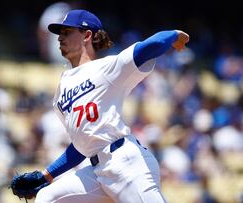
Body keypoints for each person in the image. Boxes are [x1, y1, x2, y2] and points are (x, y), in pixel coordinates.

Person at [10, 9, 189, 203]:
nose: (60, 37)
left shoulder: (106, 69)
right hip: (97, 171)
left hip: (126, 163)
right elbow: (83, 144)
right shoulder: (61, 93)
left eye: (67, 32)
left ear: (87, 35)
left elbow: (149, 47)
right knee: (48, 196)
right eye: (60, 33)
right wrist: (47, 175)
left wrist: (174, 34)